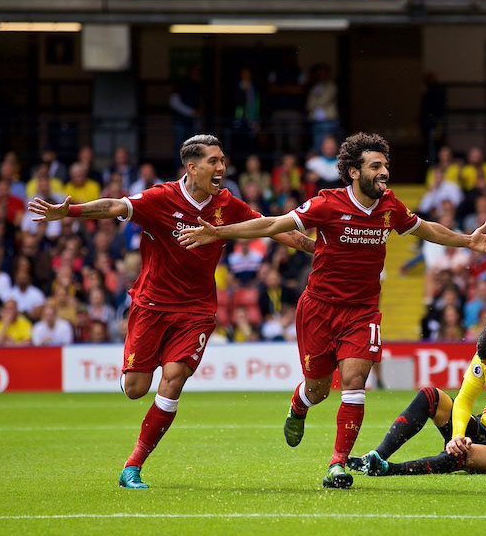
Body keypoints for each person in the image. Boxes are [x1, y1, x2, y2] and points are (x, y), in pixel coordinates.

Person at [178, 132, 486, 489]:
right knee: (317, 390)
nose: (384, 173)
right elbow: (272, 224)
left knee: (353, 382)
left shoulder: (390, 206)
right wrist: (218, 232)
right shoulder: (326, 205)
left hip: (362, 312)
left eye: (386, 166)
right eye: (375, 166)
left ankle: (337, 464)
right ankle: (299, 405)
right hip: (318, 309)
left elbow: (425, 229)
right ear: (353, 171)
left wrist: (466, 240)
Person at [28, 133, 314, 489]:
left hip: (196, 310)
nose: (221, 168)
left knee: (174, 380)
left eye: (223, 160)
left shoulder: (227, 204)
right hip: (151, 305)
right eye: (214, 161)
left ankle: (133, 466)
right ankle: (134, 375)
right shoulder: (160, 198)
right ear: (192, 168)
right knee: (135, 388)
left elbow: (273, 229)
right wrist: (68, 211)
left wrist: (318, 250)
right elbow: (116, 207)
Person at [348, 324, 486, 477]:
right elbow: (464, 399)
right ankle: (376, 456)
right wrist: (458, 435)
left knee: (460, 456)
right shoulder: (483, 361)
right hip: (485, 427)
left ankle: (388, 469)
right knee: (430, 395)